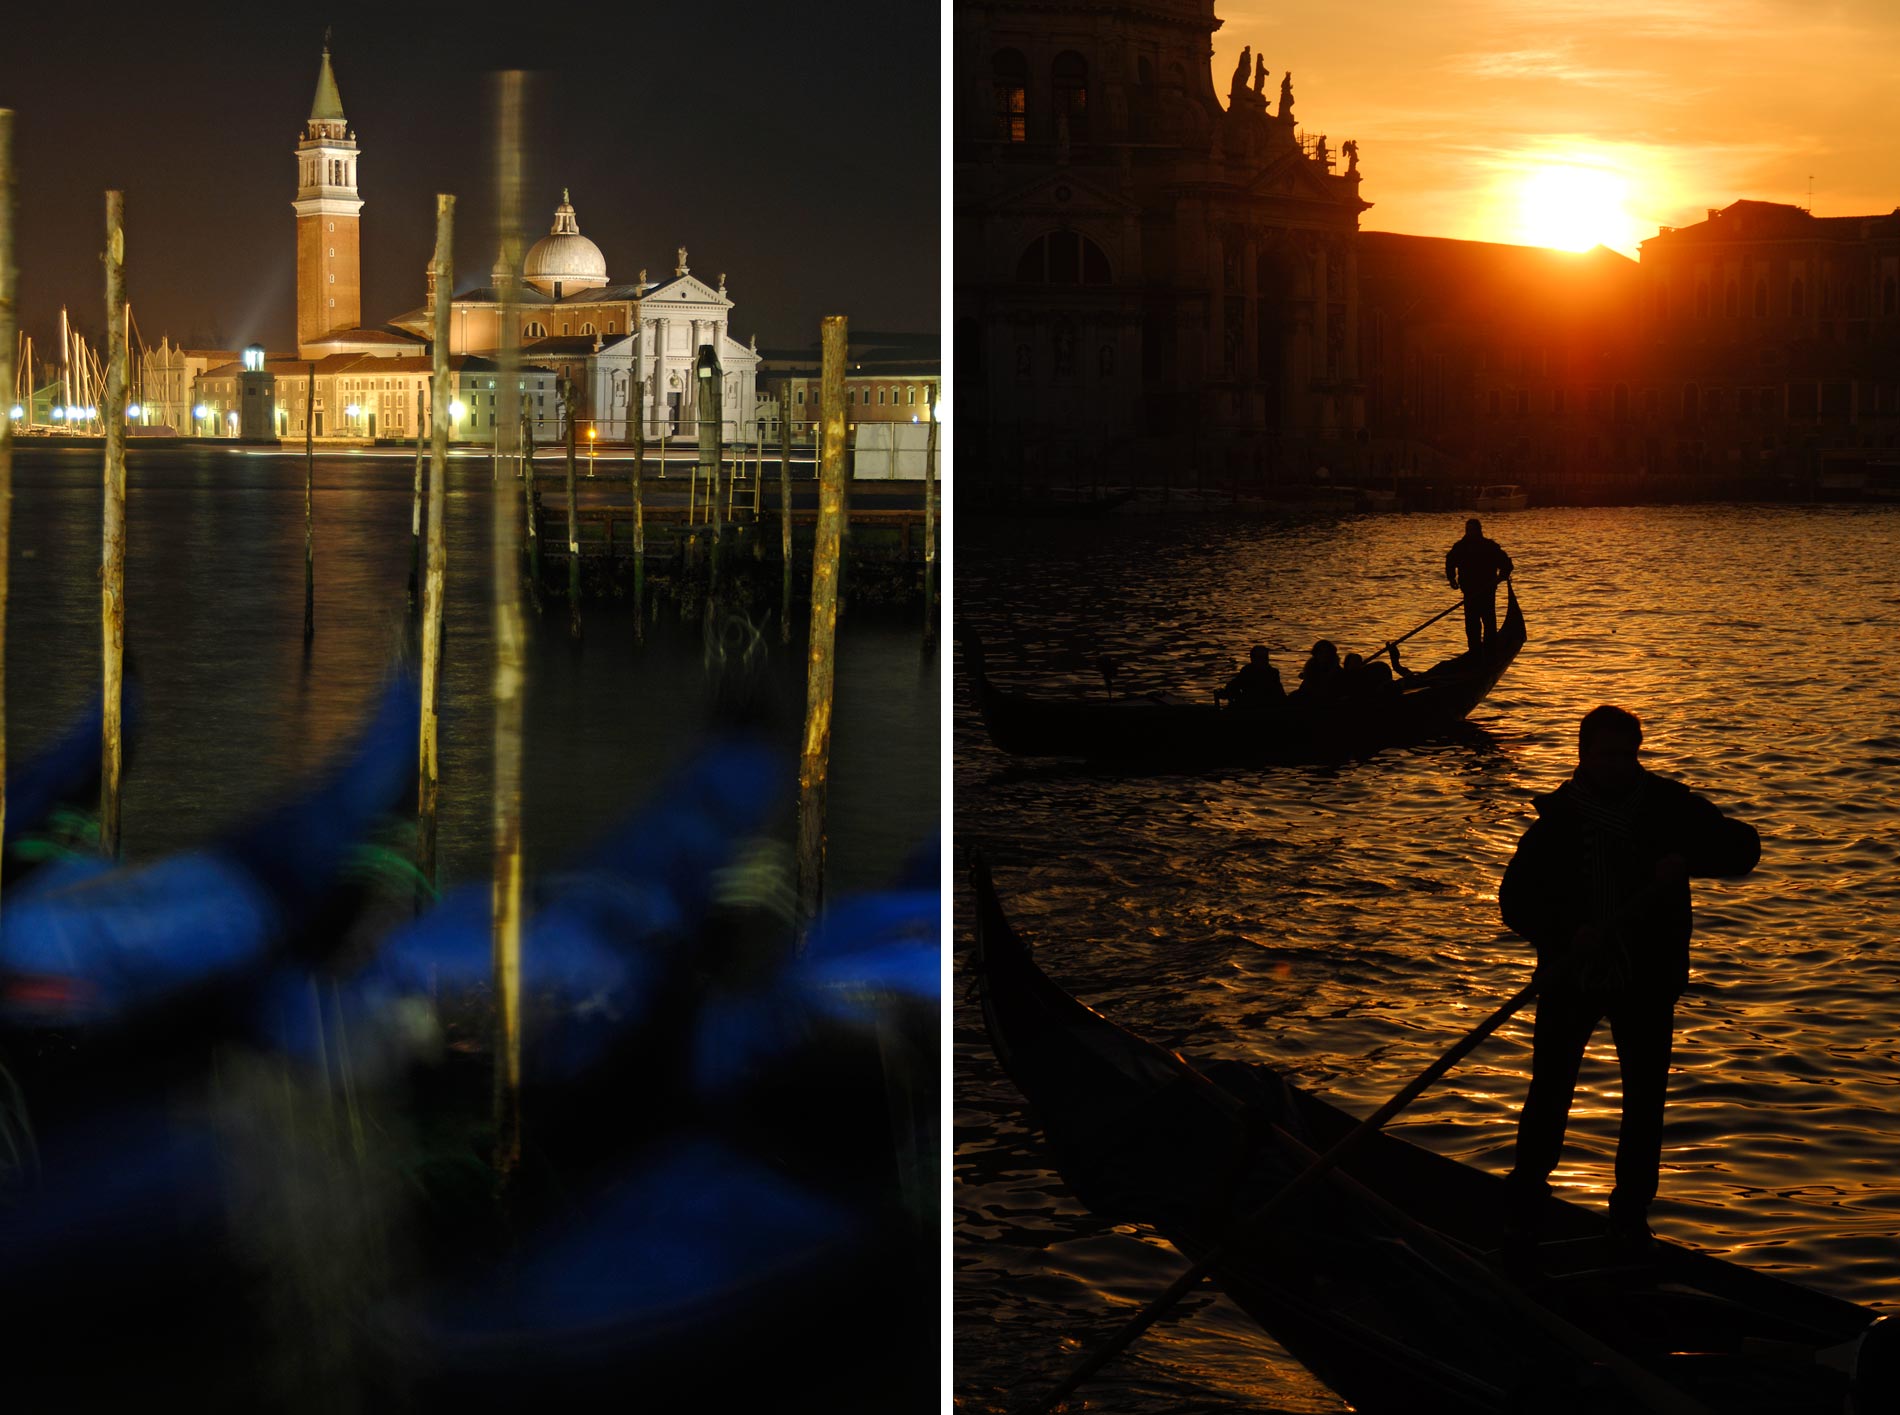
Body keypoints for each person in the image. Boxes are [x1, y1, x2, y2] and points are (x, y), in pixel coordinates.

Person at [1500, 705, 1760, 1252]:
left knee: (1645, 1100)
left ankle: (1629, 1214)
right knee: (1550, 1091)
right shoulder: (1557, 822)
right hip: (1572, 976)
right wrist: (1567, 932)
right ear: (1585, 756)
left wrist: (1687, 857)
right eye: (1608, 755)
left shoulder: (1669, 808)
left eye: (1628, 754)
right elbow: (1515, 903)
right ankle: (1526, 1201)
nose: (1620, 765)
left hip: (1647, 979)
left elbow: (1743, 848)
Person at [1444, 518, 1514, 654]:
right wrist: (1451, 578)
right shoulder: (1460, 547)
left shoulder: (1489, 547)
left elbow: (1506, 564)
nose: (1470, 533)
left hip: (1487, 591)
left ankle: (1490, 651)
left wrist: (1500, 578)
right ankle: (1474, 652)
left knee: (1489, 623)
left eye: (1472, 530)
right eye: (1468, 530)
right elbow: (1450, 562)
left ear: (1478, 531)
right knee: (1472, 625)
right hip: (1469, 593)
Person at [1216, 645, 1283, 710]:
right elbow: (1234, 685)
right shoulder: (1249, 671)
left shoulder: (1272, 673)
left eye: (1265, 658)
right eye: (1261, 658)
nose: (1264, 661)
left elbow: (1280, 694)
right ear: (1253, 659)